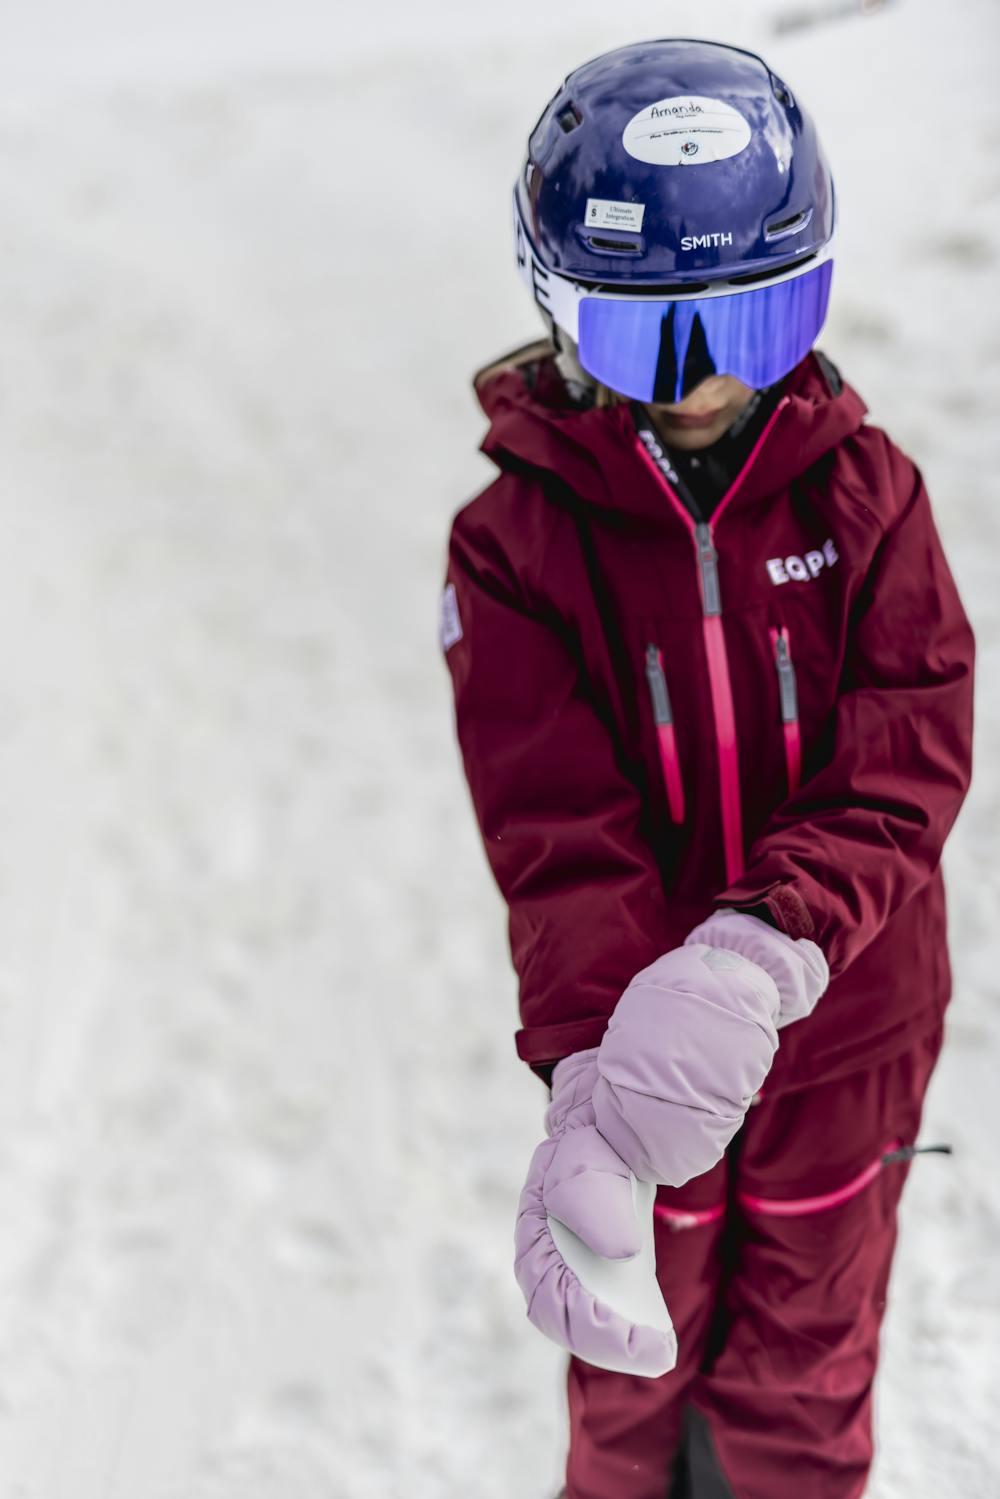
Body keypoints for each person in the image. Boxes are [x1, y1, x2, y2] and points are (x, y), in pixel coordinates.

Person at [439, 37, 975, 1499]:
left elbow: (909, 748)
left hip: (845, 1030)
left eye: (755, 318)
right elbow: (555, 827)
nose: (706, 381)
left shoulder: (868, 497)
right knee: (632, 1351)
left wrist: (765, 943)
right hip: (643, 1058)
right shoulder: (515, 546)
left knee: (807, 1355)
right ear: (560, 313)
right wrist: (597, 1074)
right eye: (650, 340)